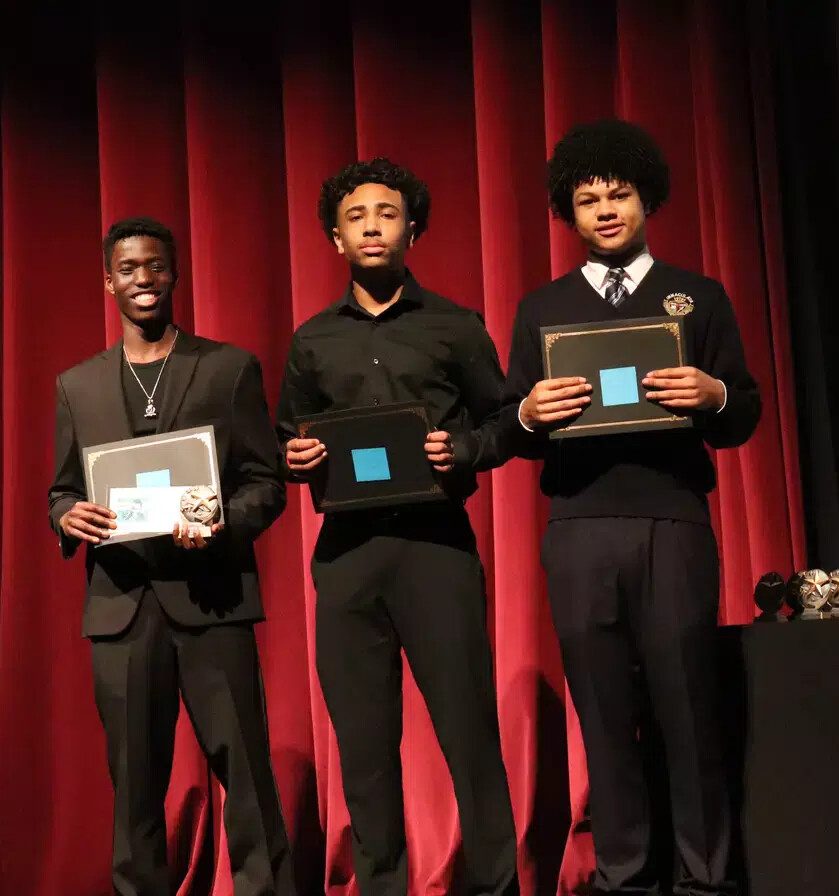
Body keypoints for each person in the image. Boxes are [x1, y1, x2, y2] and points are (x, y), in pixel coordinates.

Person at [434, 119, 760, 895]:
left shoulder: (698, 297)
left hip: (673, 519)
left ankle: (706, 878)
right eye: (587, 199)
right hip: (578, 527)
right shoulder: (542, 307)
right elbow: (508, 428)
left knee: (688, 709)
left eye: (619, 194)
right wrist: (529, 414)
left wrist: (713, 394)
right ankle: (624, 876)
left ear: (647, 198)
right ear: (568, 213)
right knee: (604, 714)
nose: (605, 209)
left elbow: (742, 412)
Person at [276, 159, 518, 896]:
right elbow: (288, 436)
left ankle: (496, 885)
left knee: (468, 731)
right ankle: (382, 884)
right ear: (334, 237)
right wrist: (297, 455)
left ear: (412, 229)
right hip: (348, 556)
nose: (372, 226)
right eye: (357, 216)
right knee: (365, 743)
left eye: (387, 214)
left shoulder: (455, 325)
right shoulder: (313, 340)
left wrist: (465, 449)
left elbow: (505, 420)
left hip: (437, 548)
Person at [48, 217, 294, 896]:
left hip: (212, 597)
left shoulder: (227, 368)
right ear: (108, 281)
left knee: (245, 773)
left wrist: (222, 522)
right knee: (134, 789)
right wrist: (68, 516)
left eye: (156, 266)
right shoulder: (78, 386)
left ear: (175, 275)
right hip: (122, 609)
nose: (143, 280)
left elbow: (265, 484)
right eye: (128, 268)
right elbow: (62, 491)